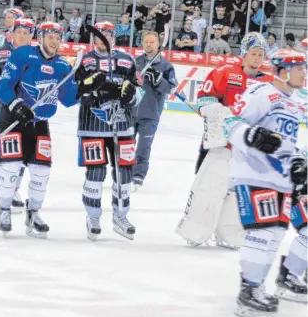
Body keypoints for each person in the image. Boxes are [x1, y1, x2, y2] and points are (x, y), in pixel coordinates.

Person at [225, 48, 307, 317]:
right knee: (261, 234)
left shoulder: (293, 104)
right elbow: (230, 123)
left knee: (274, 236)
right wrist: (253, 135)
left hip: (279, 179)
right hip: (253, 174)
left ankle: (256, 287)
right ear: (283, 71)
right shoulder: (262, 93)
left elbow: (286, 144)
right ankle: (248, 291)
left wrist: (296, 163)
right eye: (299, 69)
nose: (304, 74)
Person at [175, 32, 273, 249]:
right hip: (223, 145)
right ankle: (196, 230)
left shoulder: (269, 82)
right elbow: (205, 97)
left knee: (239, 193)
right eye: (254, 53)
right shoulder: (225, 72)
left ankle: (229, 233)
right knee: (209, 188)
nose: (257, 58)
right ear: (244, 54)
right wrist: (216, 112)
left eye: (261, 54)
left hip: (249, 151)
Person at [0, 22, 78, 238]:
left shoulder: (63, 65)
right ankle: (4, 210)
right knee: (10, 168)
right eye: (49, 36)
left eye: (57, 36)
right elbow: (3, 86)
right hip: (13, 119)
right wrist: (17, 105)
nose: (53, 40)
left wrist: (85, 86)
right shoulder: (23, 55)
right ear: (40, 38)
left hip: (39, 124)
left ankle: (33, 213)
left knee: (42, 171)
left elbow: (68, 100)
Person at [75, 21, 140, 241]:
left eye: (108, 34)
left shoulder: (126, 60)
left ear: (113, 37)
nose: (104, 38)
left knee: (124, 173)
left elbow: (137, 94)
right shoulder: (83, 60)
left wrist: (130, 95)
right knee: (95, 173)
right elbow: (73, 94)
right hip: (92, 126)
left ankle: (120, 215)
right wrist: (91, 89)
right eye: (100, 34)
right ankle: (93, 216)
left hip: (122, 127)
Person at [0, 18, 35, 212]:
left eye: (27, 33)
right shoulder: (1, 53)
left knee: (18, 154)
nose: (22, 35)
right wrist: (5, 93)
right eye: (19, 31)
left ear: (32, 36)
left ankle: (13, 189)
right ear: (12, 32)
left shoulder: (36, 56)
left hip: (22, 113)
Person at [132, 31, 177, 192]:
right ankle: (123, 173)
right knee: (125, 146)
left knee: (144, 146)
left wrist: (159, 80)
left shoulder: (166, 66)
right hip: (130, 112)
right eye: (146, 41)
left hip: (150, 115)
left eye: (152, 42)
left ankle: (138, 176)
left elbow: (171, 88)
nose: (148, 44)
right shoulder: (136, 62)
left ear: (158, 44)